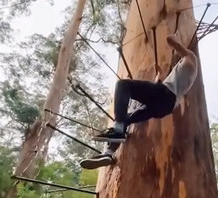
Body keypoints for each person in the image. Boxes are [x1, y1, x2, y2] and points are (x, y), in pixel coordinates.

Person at [80, 32, 198, 169]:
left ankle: (117, 133)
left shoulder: (190, 57)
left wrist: (177, 40)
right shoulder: (185, 77)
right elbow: (163, 87)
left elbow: (170, 39)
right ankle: (108, 153)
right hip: (165, 107)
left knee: (123, 85)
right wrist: (159, 76)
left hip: (164, 94)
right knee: (127, 118)